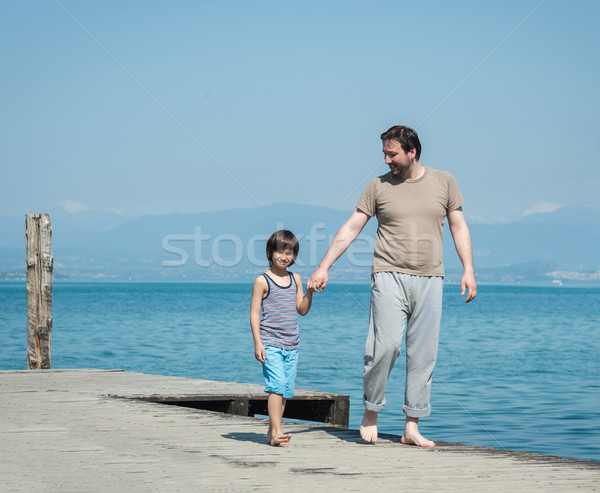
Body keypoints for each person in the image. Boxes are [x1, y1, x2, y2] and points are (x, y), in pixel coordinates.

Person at [307, 125, 476, 447]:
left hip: (431, 278)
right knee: (384, 347)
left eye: (392, 153)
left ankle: (411, 426)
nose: (386, 160)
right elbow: (351, 227)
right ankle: (371, 410)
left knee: (423, 354)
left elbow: (459, 226)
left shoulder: (445, 182)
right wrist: (324, 266)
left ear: (412, 152)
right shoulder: (377, 187)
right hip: (388, 275)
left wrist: (468, 270)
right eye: (384, 153)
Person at [250, 229, 317, 446]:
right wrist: (258, 342)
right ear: (269, 252)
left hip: (292, 344)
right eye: (280, 251)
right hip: (270, 343)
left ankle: (272, 435)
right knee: (276, 386)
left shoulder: (295, 278)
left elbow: (302, 309)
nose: (284, 256)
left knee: (285, 391)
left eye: (290, 253)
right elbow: (254, 313)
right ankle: (278, 432)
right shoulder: (262, 280)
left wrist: (310, 292)